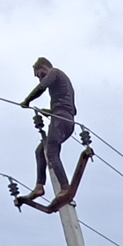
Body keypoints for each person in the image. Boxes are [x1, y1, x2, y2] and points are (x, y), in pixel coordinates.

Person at [19, 57, 75, 202]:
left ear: (44, 67)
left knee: (51, 152)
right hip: (66, 120)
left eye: (40, 75)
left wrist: (27, 101)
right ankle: (39, 186)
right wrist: (51, 111)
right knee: (40, 151)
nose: (40, 79)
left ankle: (65, 187)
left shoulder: (54, 72)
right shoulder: (65, 83)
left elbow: (41, 88)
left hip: (61, 119)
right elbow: (71, 109)